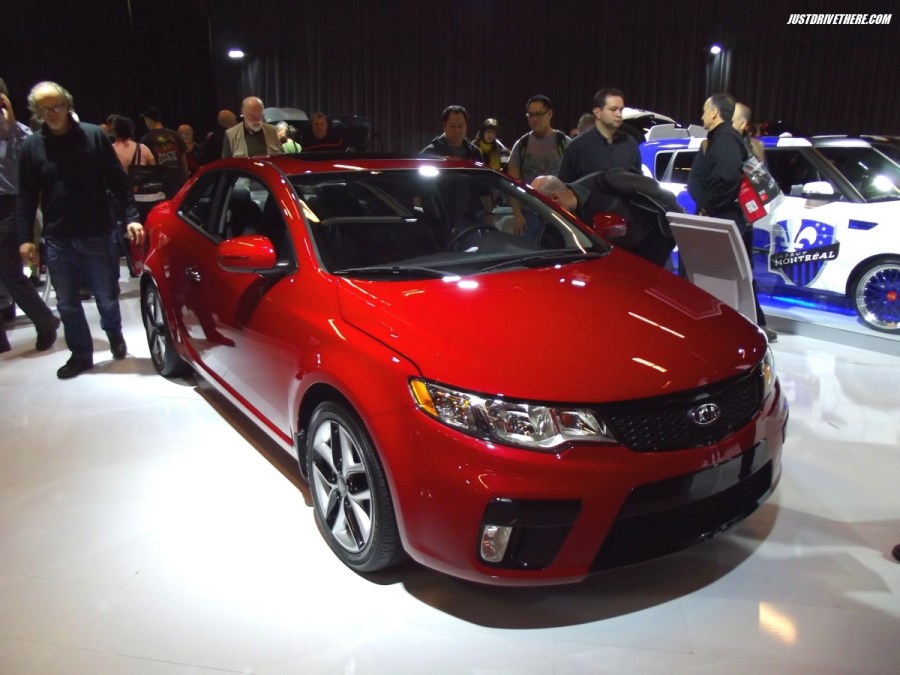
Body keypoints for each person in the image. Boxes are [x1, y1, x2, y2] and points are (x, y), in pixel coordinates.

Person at [16, 81, 144, 378]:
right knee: (67, 302)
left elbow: (118, 180)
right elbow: (26, 196)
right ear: (37, 111)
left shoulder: (93, 136)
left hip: (97, 231)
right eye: (45, 109)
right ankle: (81, 354)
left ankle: (114, 333)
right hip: (58, 236)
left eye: (57, 106)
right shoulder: (32, 146)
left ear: (67, 105)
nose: (52, 113)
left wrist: (131, 216)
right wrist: (25, 238)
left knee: (106, 295)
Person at [687, 93, 776, 342]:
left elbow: (727, 178)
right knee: (732, 273)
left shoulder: (729, 141)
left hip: (728, 218)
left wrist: (710, 206)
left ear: (715, 112)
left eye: (705, 110)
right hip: (730, 217)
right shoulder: (718, 141)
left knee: (734, 274)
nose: (702, 115)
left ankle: (742, 324)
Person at [0, 77, 59, 354]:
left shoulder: (18, 133)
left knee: (9, 271)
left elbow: (28, 163)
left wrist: (9, 125)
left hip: (8, 205)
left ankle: (45, 321)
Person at [532, 173, 678, 267]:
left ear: (555, 198)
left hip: (654, 241)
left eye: (546, 210)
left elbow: (657, 190)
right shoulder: (560, 221)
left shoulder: (605, 182)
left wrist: (674, 219)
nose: (548, 217)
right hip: (622, 260)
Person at [420, 105, 494, 236]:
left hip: (469, 217)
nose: (457, 130)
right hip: (439, 219)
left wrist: (489, 213)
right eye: (453, 126)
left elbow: (483, 187)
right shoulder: (432, 152)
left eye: (461, 126)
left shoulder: (474, 152)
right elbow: (420, 188)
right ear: (444, 126)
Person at [507, 95, 569, 242]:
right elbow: (512, 183)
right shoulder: (521, 145)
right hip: (529, 213)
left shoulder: (564, 143)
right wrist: (517, 214)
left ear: (549, 114)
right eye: (530, 115)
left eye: (539, 114)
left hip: (557, 213)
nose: (534, 119)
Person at [557, 88, 641, 183]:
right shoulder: (577, 147)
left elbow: (638, 182)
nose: (618, 114)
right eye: (613, 109)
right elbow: (563, 185)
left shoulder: (630, 144)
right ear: (598, 112)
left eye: (620, 110)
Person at [140, 105, 188, 198]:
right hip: (178, 185)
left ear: (149, 119)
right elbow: (184, 162)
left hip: (159, 187)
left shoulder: (146, 139)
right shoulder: (176, 136)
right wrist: (185, 183)